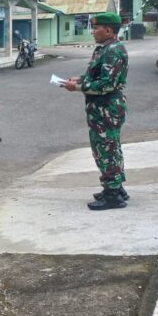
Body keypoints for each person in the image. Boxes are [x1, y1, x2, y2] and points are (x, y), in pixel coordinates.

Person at [61, 12, 130, 210]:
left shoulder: (113, 51)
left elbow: (107, 84)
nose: (93, 32)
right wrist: (78, 80)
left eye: (96, 28)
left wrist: (77, 87)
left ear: (108, 30)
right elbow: (95, 75)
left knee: (106, 149)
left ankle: (112, 195)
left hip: (106, 107)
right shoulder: (105, 49)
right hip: (102, 108)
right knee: (110, 147)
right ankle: (115, 187)